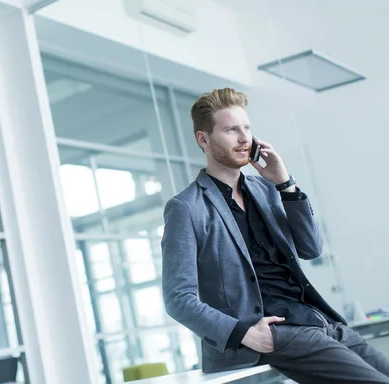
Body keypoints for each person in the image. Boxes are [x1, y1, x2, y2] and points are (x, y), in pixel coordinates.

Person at [161, 88, 389, 383]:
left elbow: (310, 249)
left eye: (247, 128)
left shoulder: (266, 189)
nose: (245, 138)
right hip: (278, 334)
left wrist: (285, 184)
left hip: (320, 320)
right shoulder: (186, 208)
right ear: (203, 139)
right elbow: (178, 298)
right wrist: (244, 333)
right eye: (232, 130)